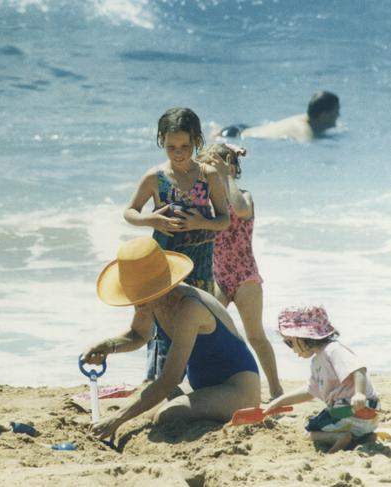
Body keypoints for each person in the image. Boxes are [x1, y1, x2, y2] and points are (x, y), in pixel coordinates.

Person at [81, 236, 260, 442]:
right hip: (200, 384)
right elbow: (138, 335)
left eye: (141, 294)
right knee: (144, 413)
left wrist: (115, 419)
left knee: (169, 414)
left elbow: (170, 379)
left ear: (159, 287)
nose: (136, 302)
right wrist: (107, 346)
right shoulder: (151, 300)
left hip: (237, 388)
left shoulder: (189, 308)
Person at [124, 107, 230, 379]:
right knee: (164, 320)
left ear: (197, 141)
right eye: (171, 147)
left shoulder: (209, 176)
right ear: (161, 141)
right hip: (164, 264)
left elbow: (224, 219)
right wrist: (152, 220)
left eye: (185, 145)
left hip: (200, 263)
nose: (179, 152)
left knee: (199, 321)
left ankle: (200, 380)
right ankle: (159, 380)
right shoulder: (155, 177)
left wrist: (200, 223)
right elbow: (130, 212)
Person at [197, 143, 284, 400]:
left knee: (256, 336)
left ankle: (276, 388)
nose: (211, 172)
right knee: (206, 332)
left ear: (233, 168)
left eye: (218, 167)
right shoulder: (207, 202)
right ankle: (213, 383)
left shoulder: (244, 196)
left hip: (245, 275)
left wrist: (226, 177)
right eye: (207, 169)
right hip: (217, 276)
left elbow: (242, 210)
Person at [264, 306, 380, 453]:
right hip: (368, 416)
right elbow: (309, 391)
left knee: (310, 428)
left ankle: (340, 438)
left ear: (303, 337)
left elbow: (358, 369)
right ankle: (365, 437)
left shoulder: (333, 350)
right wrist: (279, 402)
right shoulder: (318, 360)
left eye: (289, 343)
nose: (291, 349)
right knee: (329, 419)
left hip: (352, 409)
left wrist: (359, 394)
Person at [214, 91, 340, 143]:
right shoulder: (304, 129)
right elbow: (309, 148)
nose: (338, 115)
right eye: (336, 112)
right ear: (323, 115)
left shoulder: (307, 119)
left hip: (245, 129)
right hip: (234, 134)